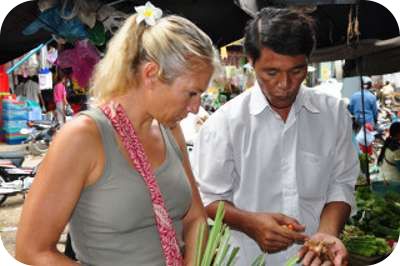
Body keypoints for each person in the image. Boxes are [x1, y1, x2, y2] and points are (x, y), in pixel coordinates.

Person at [15, 3, 218, 265]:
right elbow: (32, 250)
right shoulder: (83, 137)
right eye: (191, 93)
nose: (196, 107)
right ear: (151, 73)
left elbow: (195, 218)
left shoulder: (170, 130)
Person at [193, 7, 359, 266]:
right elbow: (207, 198)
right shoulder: (224, 124)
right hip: (249, 259)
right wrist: (249, 223)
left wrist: (326, 233)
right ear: (251, 61)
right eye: (271, 72)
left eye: (296, 71)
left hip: (314, 259)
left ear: (308, 62)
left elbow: (342, 182)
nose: (284, 84)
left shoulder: (333, 114)